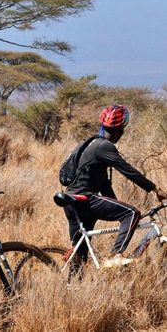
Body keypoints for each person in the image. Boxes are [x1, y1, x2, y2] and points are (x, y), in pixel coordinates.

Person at [64, 105, 166, 271]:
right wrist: (155, 189)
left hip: (71, 200)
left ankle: (72, 287)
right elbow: (128, 170)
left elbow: (104, 187)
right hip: (85, 198)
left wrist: (119, 210)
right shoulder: (105, 146)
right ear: (121, 130)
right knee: (132, 213)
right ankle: (116, 255)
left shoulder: (92, 144)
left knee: (80, 256)